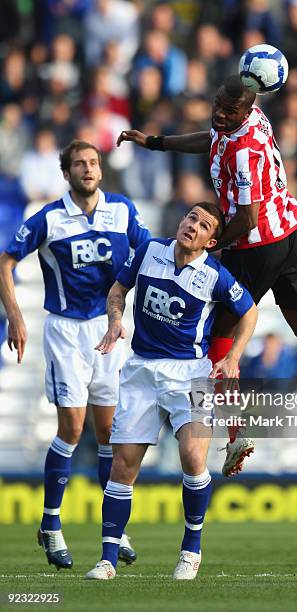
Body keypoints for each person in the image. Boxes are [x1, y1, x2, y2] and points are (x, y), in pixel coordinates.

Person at [116, 75, 297, 476]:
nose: (219, 115)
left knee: (219, 340)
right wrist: (158, 143)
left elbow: (246, 218)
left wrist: (213, 245)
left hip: (258, 245)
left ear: (246, 111)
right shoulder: (249, 120)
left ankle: (236, 434)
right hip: (291, 233)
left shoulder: (244, 152)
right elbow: (210, 139)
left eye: (229, 111)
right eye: (217, 106)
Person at [85, 201, 257, 580]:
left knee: (194, 458)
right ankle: (108, 560)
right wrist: (115, 322)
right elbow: (118, 290)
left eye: (204, 225)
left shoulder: (215, 276)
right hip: (141, 371)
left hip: (191, 375)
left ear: (211, 241)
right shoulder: (149, 251)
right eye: (191, 217)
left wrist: (233, 357)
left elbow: (250, 312)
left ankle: (191, 551)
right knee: (122, 466)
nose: (193, 226)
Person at [0, 140, 151, 570]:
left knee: (109, 434)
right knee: (73, 427)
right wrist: (15, 315)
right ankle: (51, 524)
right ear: (66, 173)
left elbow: (148, 252)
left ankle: (113, 530)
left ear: (101, 171)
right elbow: (5, 260)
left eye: (94, 163)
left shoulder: (122, 210)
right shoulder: (50, 218)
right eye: (80, 164)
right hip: (66, 331)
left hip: (109, 330)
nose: (88, 169)